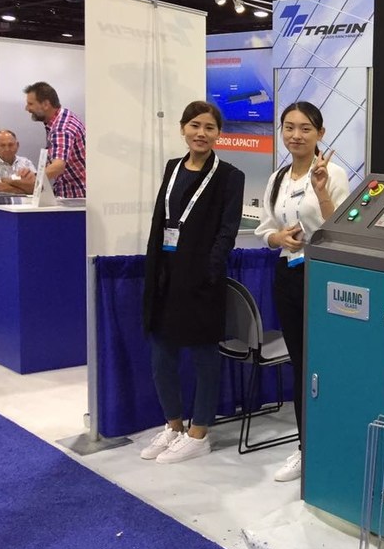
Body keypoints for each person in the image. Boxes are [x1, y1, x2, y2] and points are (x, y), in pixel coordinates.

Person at [140, 101, 245, 464]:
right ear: (183, 128)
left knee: (204, 355)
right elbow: (161, 220)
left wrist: (209, 271)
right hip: (165, 275)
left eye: (209, 127)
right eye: (195, 125)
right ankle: (174, 425)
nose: (201, 133)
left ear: (219, 134)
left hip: (202, 279)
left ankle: (199, 432)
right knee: (161, 354)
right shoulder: (172, 168)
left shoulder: (230, 176)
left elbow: (227, 231)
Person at [256, 101, 350, 482]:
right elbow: (265, 228)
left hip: (322, 274)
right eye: (289, 128)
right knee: (300, 363)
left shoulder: (334, 174)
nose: (296, 135)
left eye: (306, 128)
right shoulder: (278, 178)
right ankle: (305, 447)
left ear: (320, 134)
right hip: (288, 275)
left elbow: (343, 228)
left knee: (324, 363)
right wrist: (277, 237)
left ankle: (331, 444)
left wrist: (321, 191)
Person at [23, 81, 86, 198]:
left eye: (30, 104)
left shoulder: (61, 128)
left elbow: (58, 166)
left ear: (46, 104)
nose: (27, 108)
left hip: (76, 196)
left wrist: (34, 180)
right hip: (72, 193)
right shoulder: (64, 117)